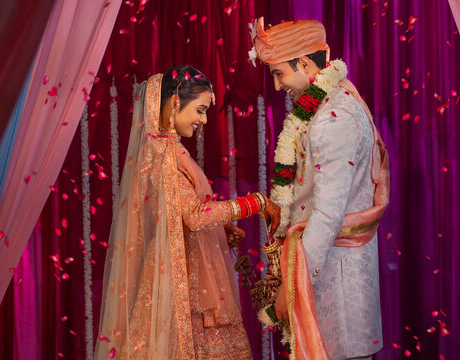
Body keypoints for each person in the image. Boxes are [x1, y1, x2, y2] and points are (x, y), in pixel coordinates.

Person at [94, 65, 280, 359]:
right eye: (201, 109)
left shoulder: (168, 148)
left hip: (193, 269)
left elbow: (183, 213)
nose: (204, 120)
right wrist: (255, 203)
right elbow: (195, 216)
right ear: (175, 102)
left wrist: (221, 228)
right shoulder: (164, 153)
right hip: (183, 278)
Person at [251, 18, 390, 359]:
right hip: (332, 274)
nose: (277, 84)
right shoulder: (334, 101)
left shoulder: (334, 118)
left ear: (303, 63)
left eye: (278, 72)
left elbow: (328, 215)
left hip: (337, 283)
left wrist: (290, 288)